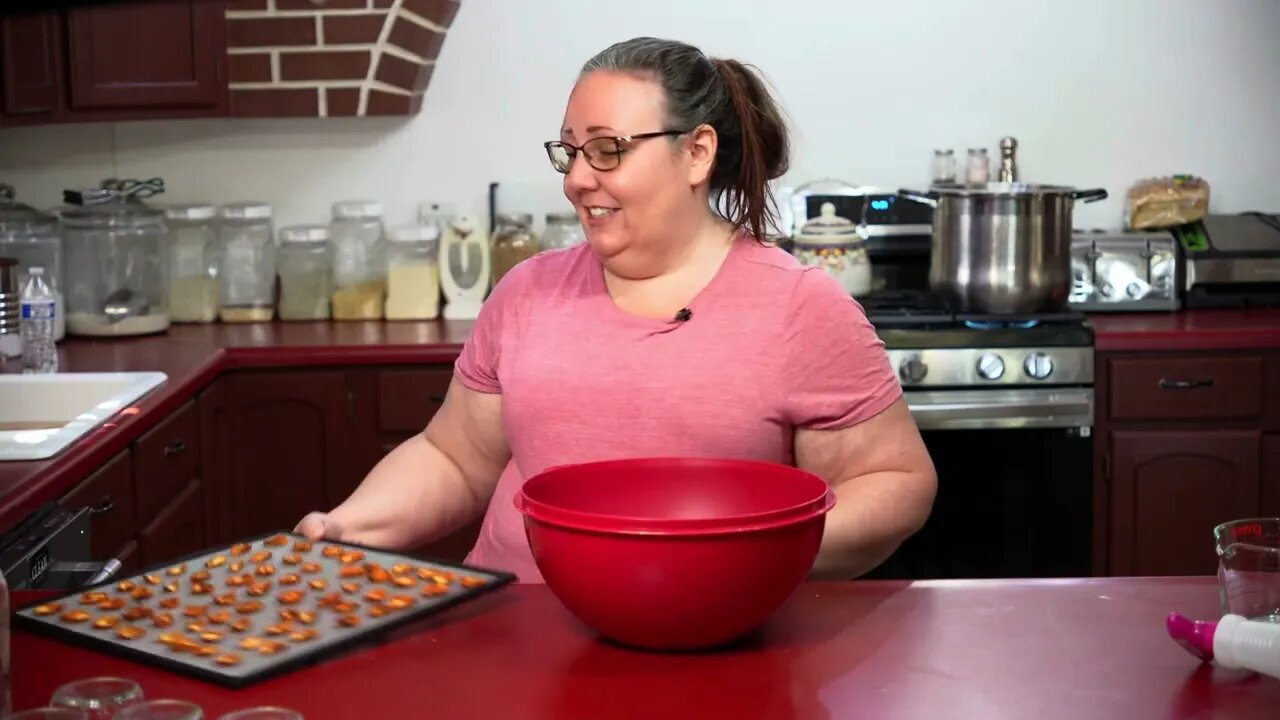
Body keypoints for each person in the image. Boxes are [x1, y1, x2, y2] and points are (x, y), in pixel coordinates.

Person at [295, 36, 937, 582]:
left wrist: (750, 558)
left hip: (714, 636)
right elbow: (455, 459)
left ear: (697, 153)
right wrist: (346, 526)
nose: (577, 178)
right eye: (570, 151)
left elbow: (894, 481)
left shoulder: (798, 307)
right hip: (518, 632)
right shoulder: (526, 292)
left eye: (608, 150)